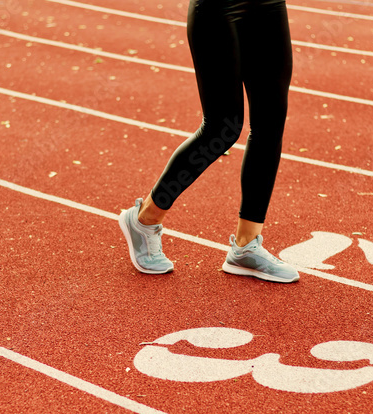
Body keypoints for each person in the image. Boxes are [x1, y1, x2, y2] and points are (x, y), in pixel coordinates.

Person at [119, 0, 300, 283]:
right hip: (218, 7)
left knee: (270, 123)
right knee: (223, 128)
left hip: (268, 5)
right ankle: (145, 220)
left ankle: (245, 246)